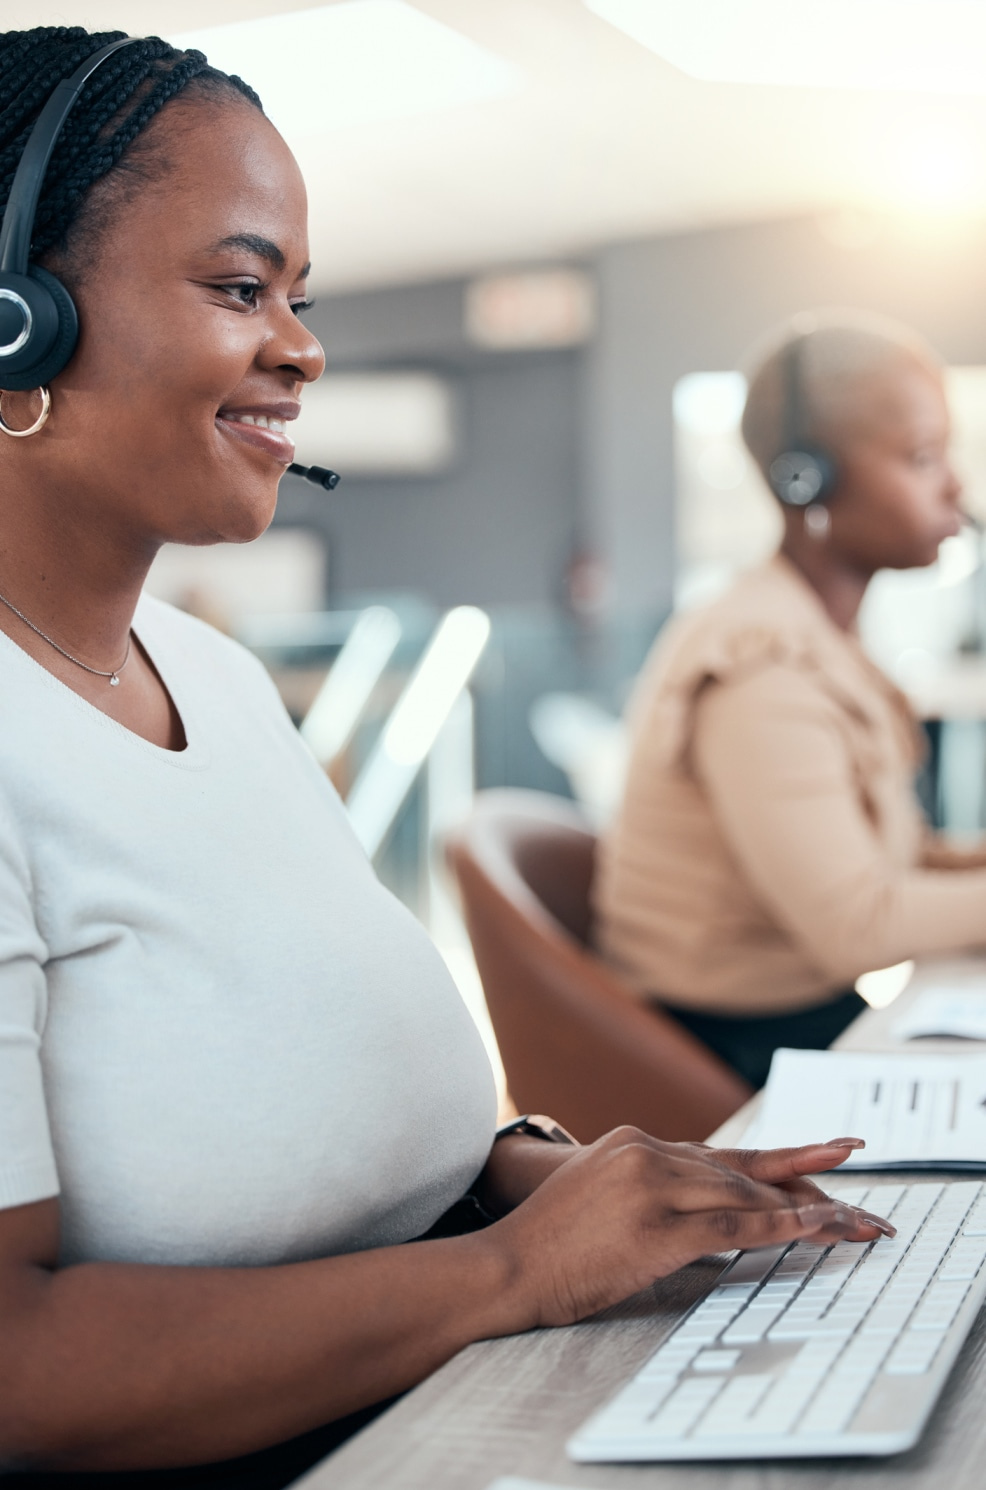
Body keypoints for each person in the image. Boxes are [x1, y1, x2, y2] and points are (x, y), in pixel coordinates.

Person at [0, 31, 890, 1489]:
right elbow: (20, 1380)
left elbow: (312, 1083)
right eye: (239, 289)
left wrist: (541, 1175)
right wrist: (512, 1271)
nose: (300, 347)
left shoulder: (214, 679)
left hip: (455, 1386)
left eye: (298, 296)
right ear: (15, 322)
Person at [594, 310, 986, 1091]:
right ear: (806, 479)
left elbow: (886, 854)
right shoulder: (761, 665)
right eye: (921, 457)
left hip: (795, 1022)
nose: (957, 485)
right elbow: (856, 922)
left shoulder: (819, 636)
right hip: (725, 1055)